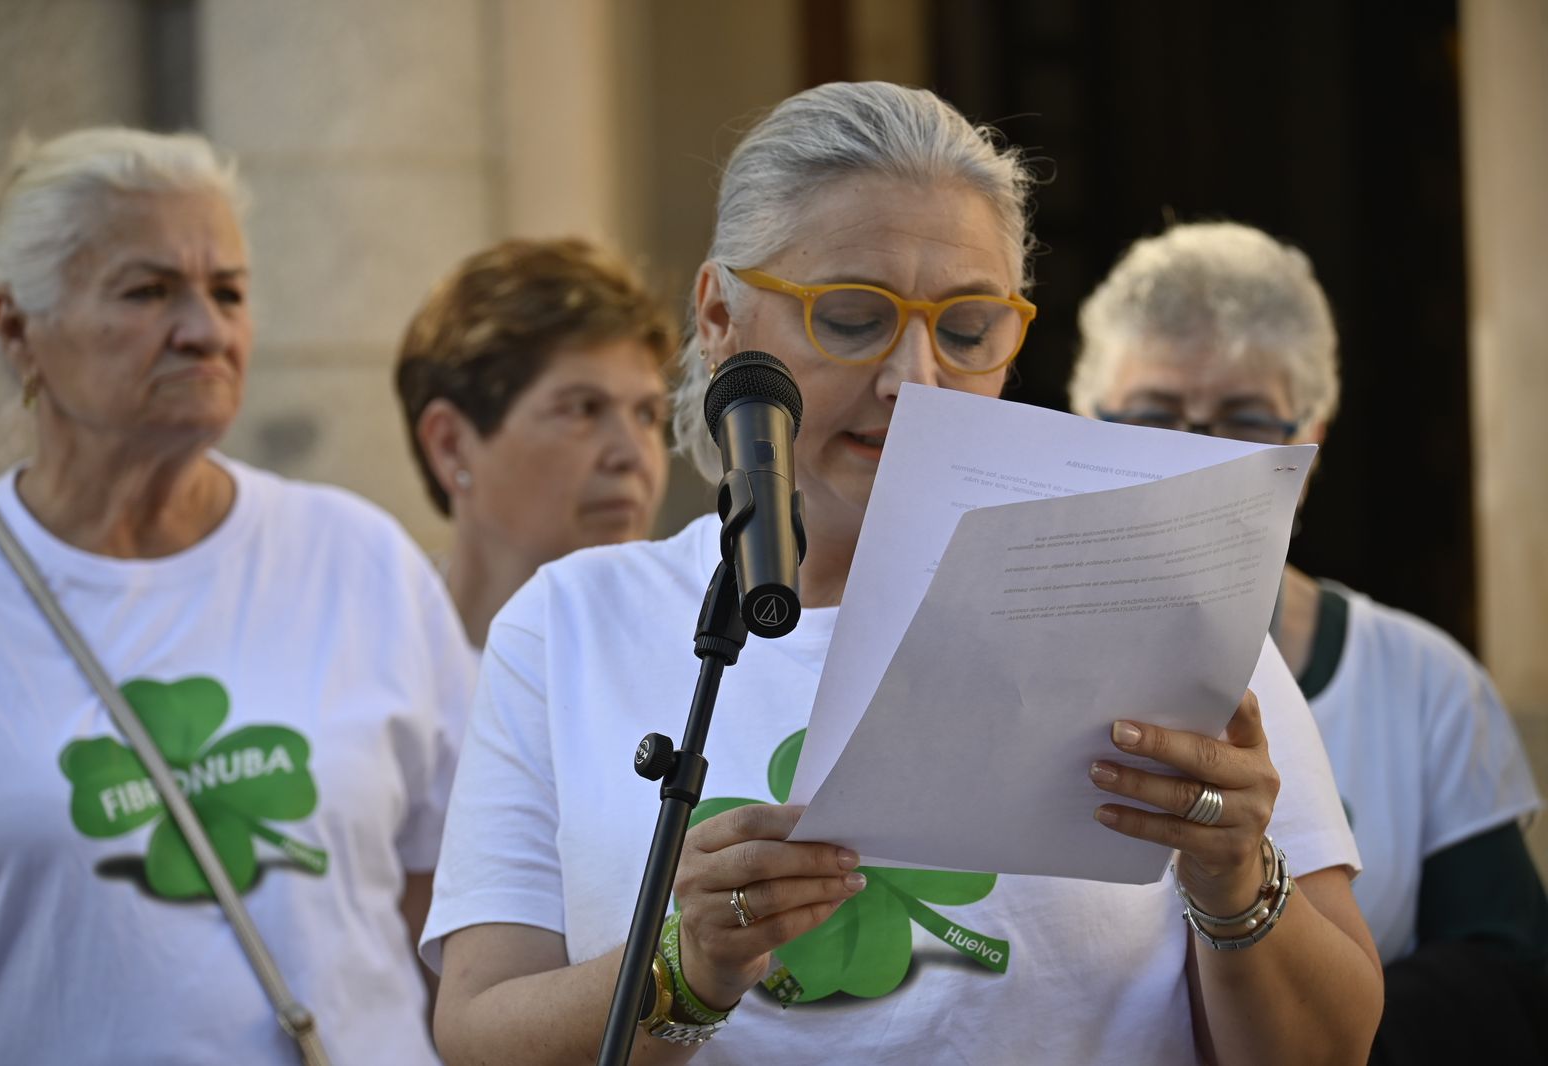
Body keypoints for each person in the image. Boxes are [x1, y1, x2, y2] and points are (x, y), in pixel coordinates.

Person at [422, 83, 1383, 1065]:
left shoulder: (1150, 588)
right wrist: (687, 965)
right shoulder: (572, 624)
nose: (913, 377)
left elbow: (1332, 1043)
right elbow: (478, 1027)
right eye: (849, 317)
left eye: (967, 328)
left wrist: (1236, 882)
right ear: (719, 317)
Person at [0, 127, 474, 1064]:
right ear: (17, 327)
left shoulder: (356, 559)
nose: (205, 328)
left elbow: (462, 917)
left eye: (227, 290)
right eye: (148, 291)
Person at [1070, 219, 1548, 1060]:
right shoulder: (1028, 662)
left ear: (1311, 433)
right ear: (1088, 419)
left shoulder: (1423, 680)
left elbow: (1508, 974)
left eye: (1245, 420)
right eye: (1153, 417)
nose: (1199, 459)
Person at [393, 238, 675, 647]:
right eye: (583, 409)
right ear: (451, 444)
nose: (632, 455)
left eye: (648, 414)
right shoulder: (368, 665)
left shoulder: (702, 667)